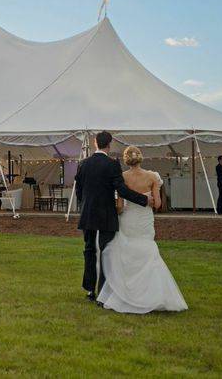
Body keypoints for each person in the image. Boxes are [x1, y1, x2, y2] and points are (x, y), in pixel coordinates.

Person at [97, 146, 187, 314]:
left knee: (127, 254)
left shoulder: (122, 177)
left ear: (126, 160)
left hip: (128, 218)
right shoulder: (152, 177)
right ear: (141, 158)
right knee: (148, 252)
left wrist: (119, 212)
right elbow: (158, 204)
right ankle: (150, 294)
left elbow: (120, 206)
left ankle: (126, 294)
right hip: (145, 219)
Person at [75, 131, 149, 302]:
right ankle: (103, 291)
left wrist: (87, 203)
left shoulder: (83, 164)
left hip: (88, 213)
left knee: (89, 250)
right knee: (106, 252)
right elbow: (121, 190)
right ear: (109, 144)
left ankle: (89, 290)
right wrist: (143, 199)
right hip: (106, 213)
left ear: (95, 143)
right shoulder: (112, 164)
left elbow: (79, 191)